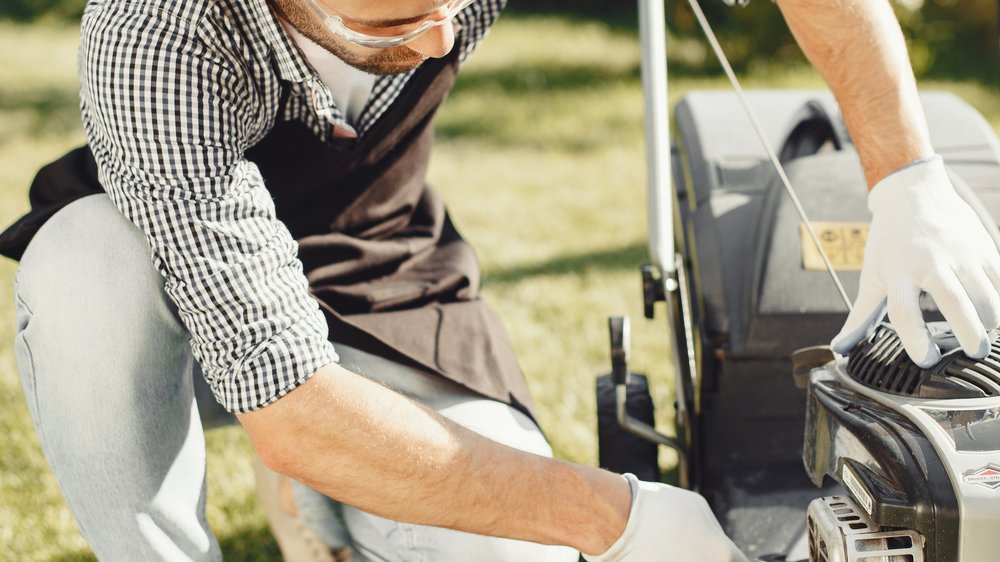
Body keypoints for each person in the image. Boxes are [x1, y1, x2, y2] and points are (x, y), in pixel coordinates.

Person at [2, 0, 996, 560]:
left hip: (381, 271)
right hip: (165, 283)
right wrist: (624, 514)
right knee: (83, 268)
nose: (441, 41)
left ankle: (322, 496)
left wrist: (904, 174)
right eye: (397, 22)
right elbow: (292, 400)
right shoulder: (153, 34)